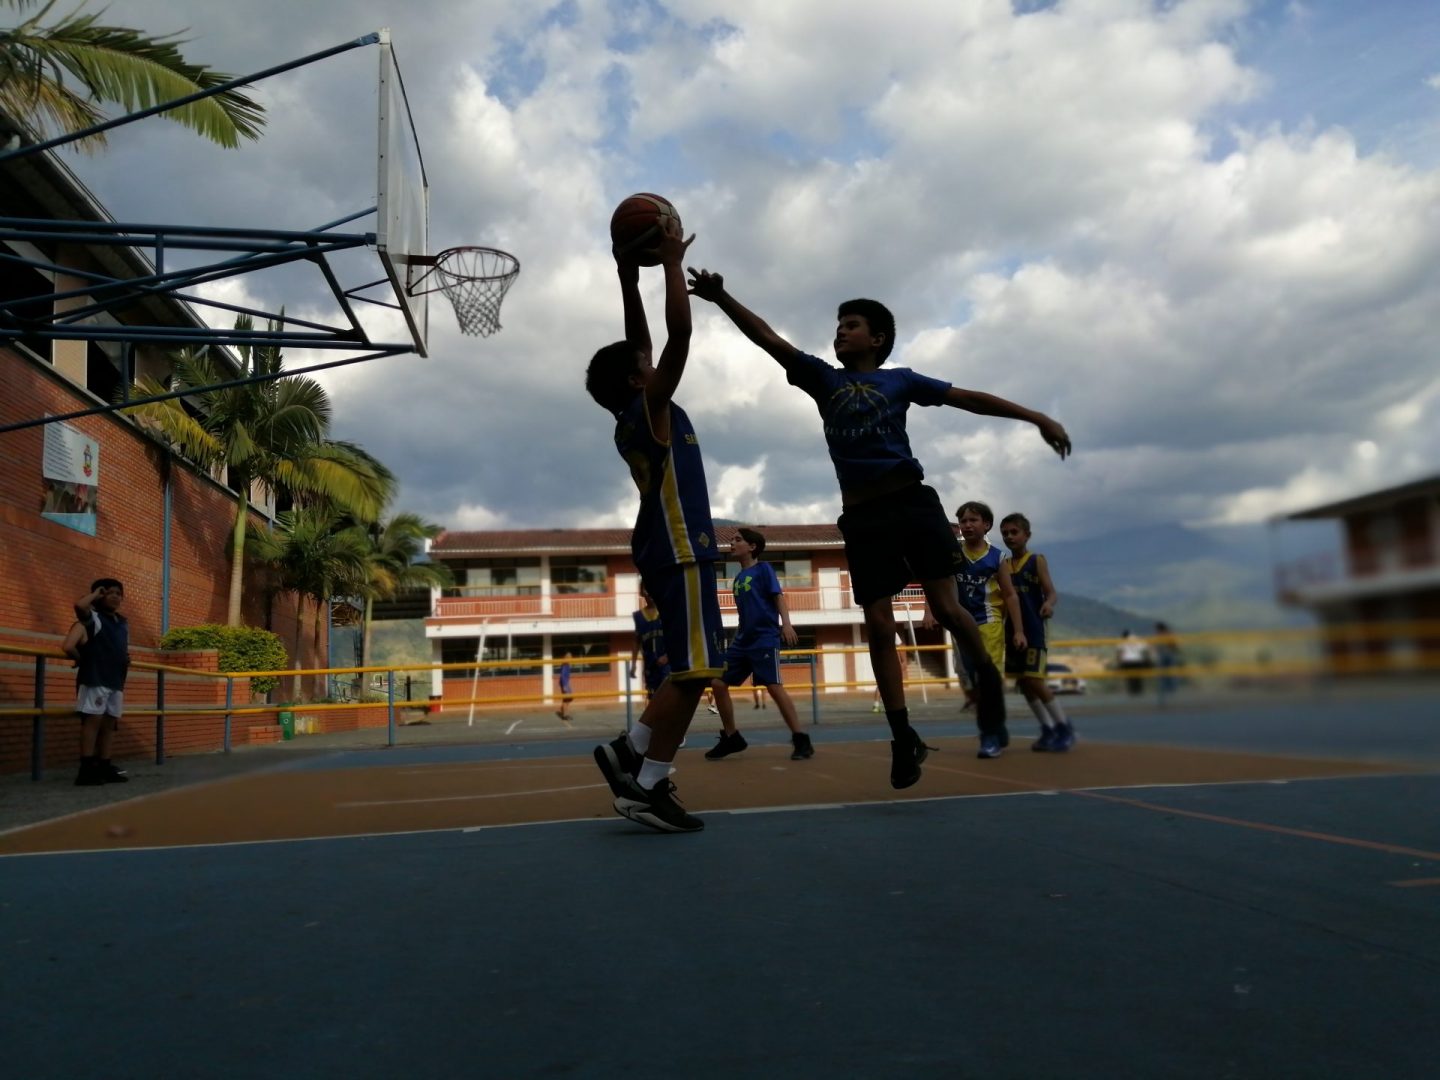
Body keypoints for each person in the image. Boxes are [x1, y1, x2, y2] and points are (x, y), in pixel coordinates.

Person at [688, 269, 1070, 785]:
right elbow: (768, 339)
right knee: (878, 624)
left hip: (913, 503)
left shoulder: (902, 380)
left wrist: (1035, 417)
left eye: (851, 324)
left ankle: (988, 691)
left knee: (949, 608)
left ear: (878, 338)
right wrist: (720, 296)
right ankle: (902, 736)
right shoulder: (824, 379)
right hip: (864, 518)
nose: (840, 331)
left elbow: (970, 398)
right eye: (838, 325)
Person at [587, 218, 724, 833]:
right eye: (645, 364)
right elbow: (677, 334)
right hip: (679, 545)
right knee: (696, 669)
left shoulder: (632, 411)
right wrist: (669, 264)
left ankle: (639, 762)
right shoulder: (651, 408)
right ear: (640, 379)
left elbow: (639, 338)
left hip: (664, 547)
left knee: (693, 670)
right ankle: (640, 771)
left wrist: (625, 275)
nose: (651, 360)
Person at [702, 527, 816, 762]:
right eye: (732, 540)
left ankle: (801, 738)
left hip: (764, 638)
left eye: (737, 540)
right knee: (717, 682)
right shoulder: (737, 578)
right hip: (743, 640)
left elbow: (778, 597)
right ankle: (732, 737)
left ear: (752, 547)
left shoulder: (764, 570)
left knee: (773, 687)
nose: (732, 543)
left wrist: (786, 624)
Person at [934, 501, 1026, 757]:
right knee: (970, 683)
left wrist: (1018, 630)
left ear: (986, 525)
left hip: (989, 624)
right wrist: (930, 610)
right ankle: (997, 725)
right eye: (963, 521)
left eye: (973, 520)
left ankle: (989, 735)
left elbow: (1009, 595)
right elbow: (939, 583)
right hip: (961, 625)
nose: (967, 525)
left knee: (988, 681)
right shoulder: (953, 553)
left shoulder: (997, 558)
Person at [999, 512, 1075, 751]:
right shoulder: (1003, 564)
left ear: (1027, 535)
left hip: (1033, 630)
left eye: (1014, 532)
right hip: (1011, 631)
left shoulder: (1036, 560)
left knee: (1035, 679)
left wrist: (1048, 604)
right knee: (1024, 683)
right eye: (1005, 533)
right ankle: (1047, 728)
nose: (1010, 537)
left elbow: (1051, 591)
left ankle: (1064, 726)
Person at [62, 578, 132, 786]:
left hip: (115, 680)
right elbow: (79, 606)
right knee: (92, 722)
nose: (115, 596)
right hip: (95, 678)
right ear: (99, 595)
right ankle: (86, 768)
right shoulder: (93, 617)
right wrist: (80, 658)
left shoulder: (122, 622)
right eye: (108, 592)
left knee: (109, 724)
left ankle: (104, 764)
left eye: (118, 593)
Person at [628, 585, 671, 702]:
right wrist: (633, 664)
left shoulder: (667, 611)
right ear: (641, 592)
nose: (650, 593)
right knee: (653, 697)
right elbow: (636, 642)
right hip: (650, 664)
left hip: (666, 664)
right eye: (646, 589)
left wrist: (668, 656)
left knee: (667, 696)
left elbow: (677, 637)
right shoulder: (638, 616)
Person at [1116, 629, 1151, 696]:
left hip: (1127, 662)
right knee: (1138, 678)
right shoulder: (1137, 639)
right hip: (1138, 661)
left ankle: (1132, 693)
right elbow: (1147, 648)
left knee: (1130, 678)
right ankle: (1139, 693)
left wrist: (1119, 663)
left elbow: (1119, 653)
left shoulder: (1123, 640)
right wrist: (1147, 660)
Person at [555, 652, 574, 723]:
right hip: (564, 683)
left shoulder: (567, 664)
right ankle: (565, 714)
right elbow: (563, 675)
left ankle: (564, 712)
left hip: (566, 683)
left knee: (569, 698)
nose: (571, 658)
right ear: (566, 657)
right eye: (570, 657)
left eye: (571, 657)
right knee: (567, 699)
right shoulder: (565, 664)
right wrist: (565, 686)